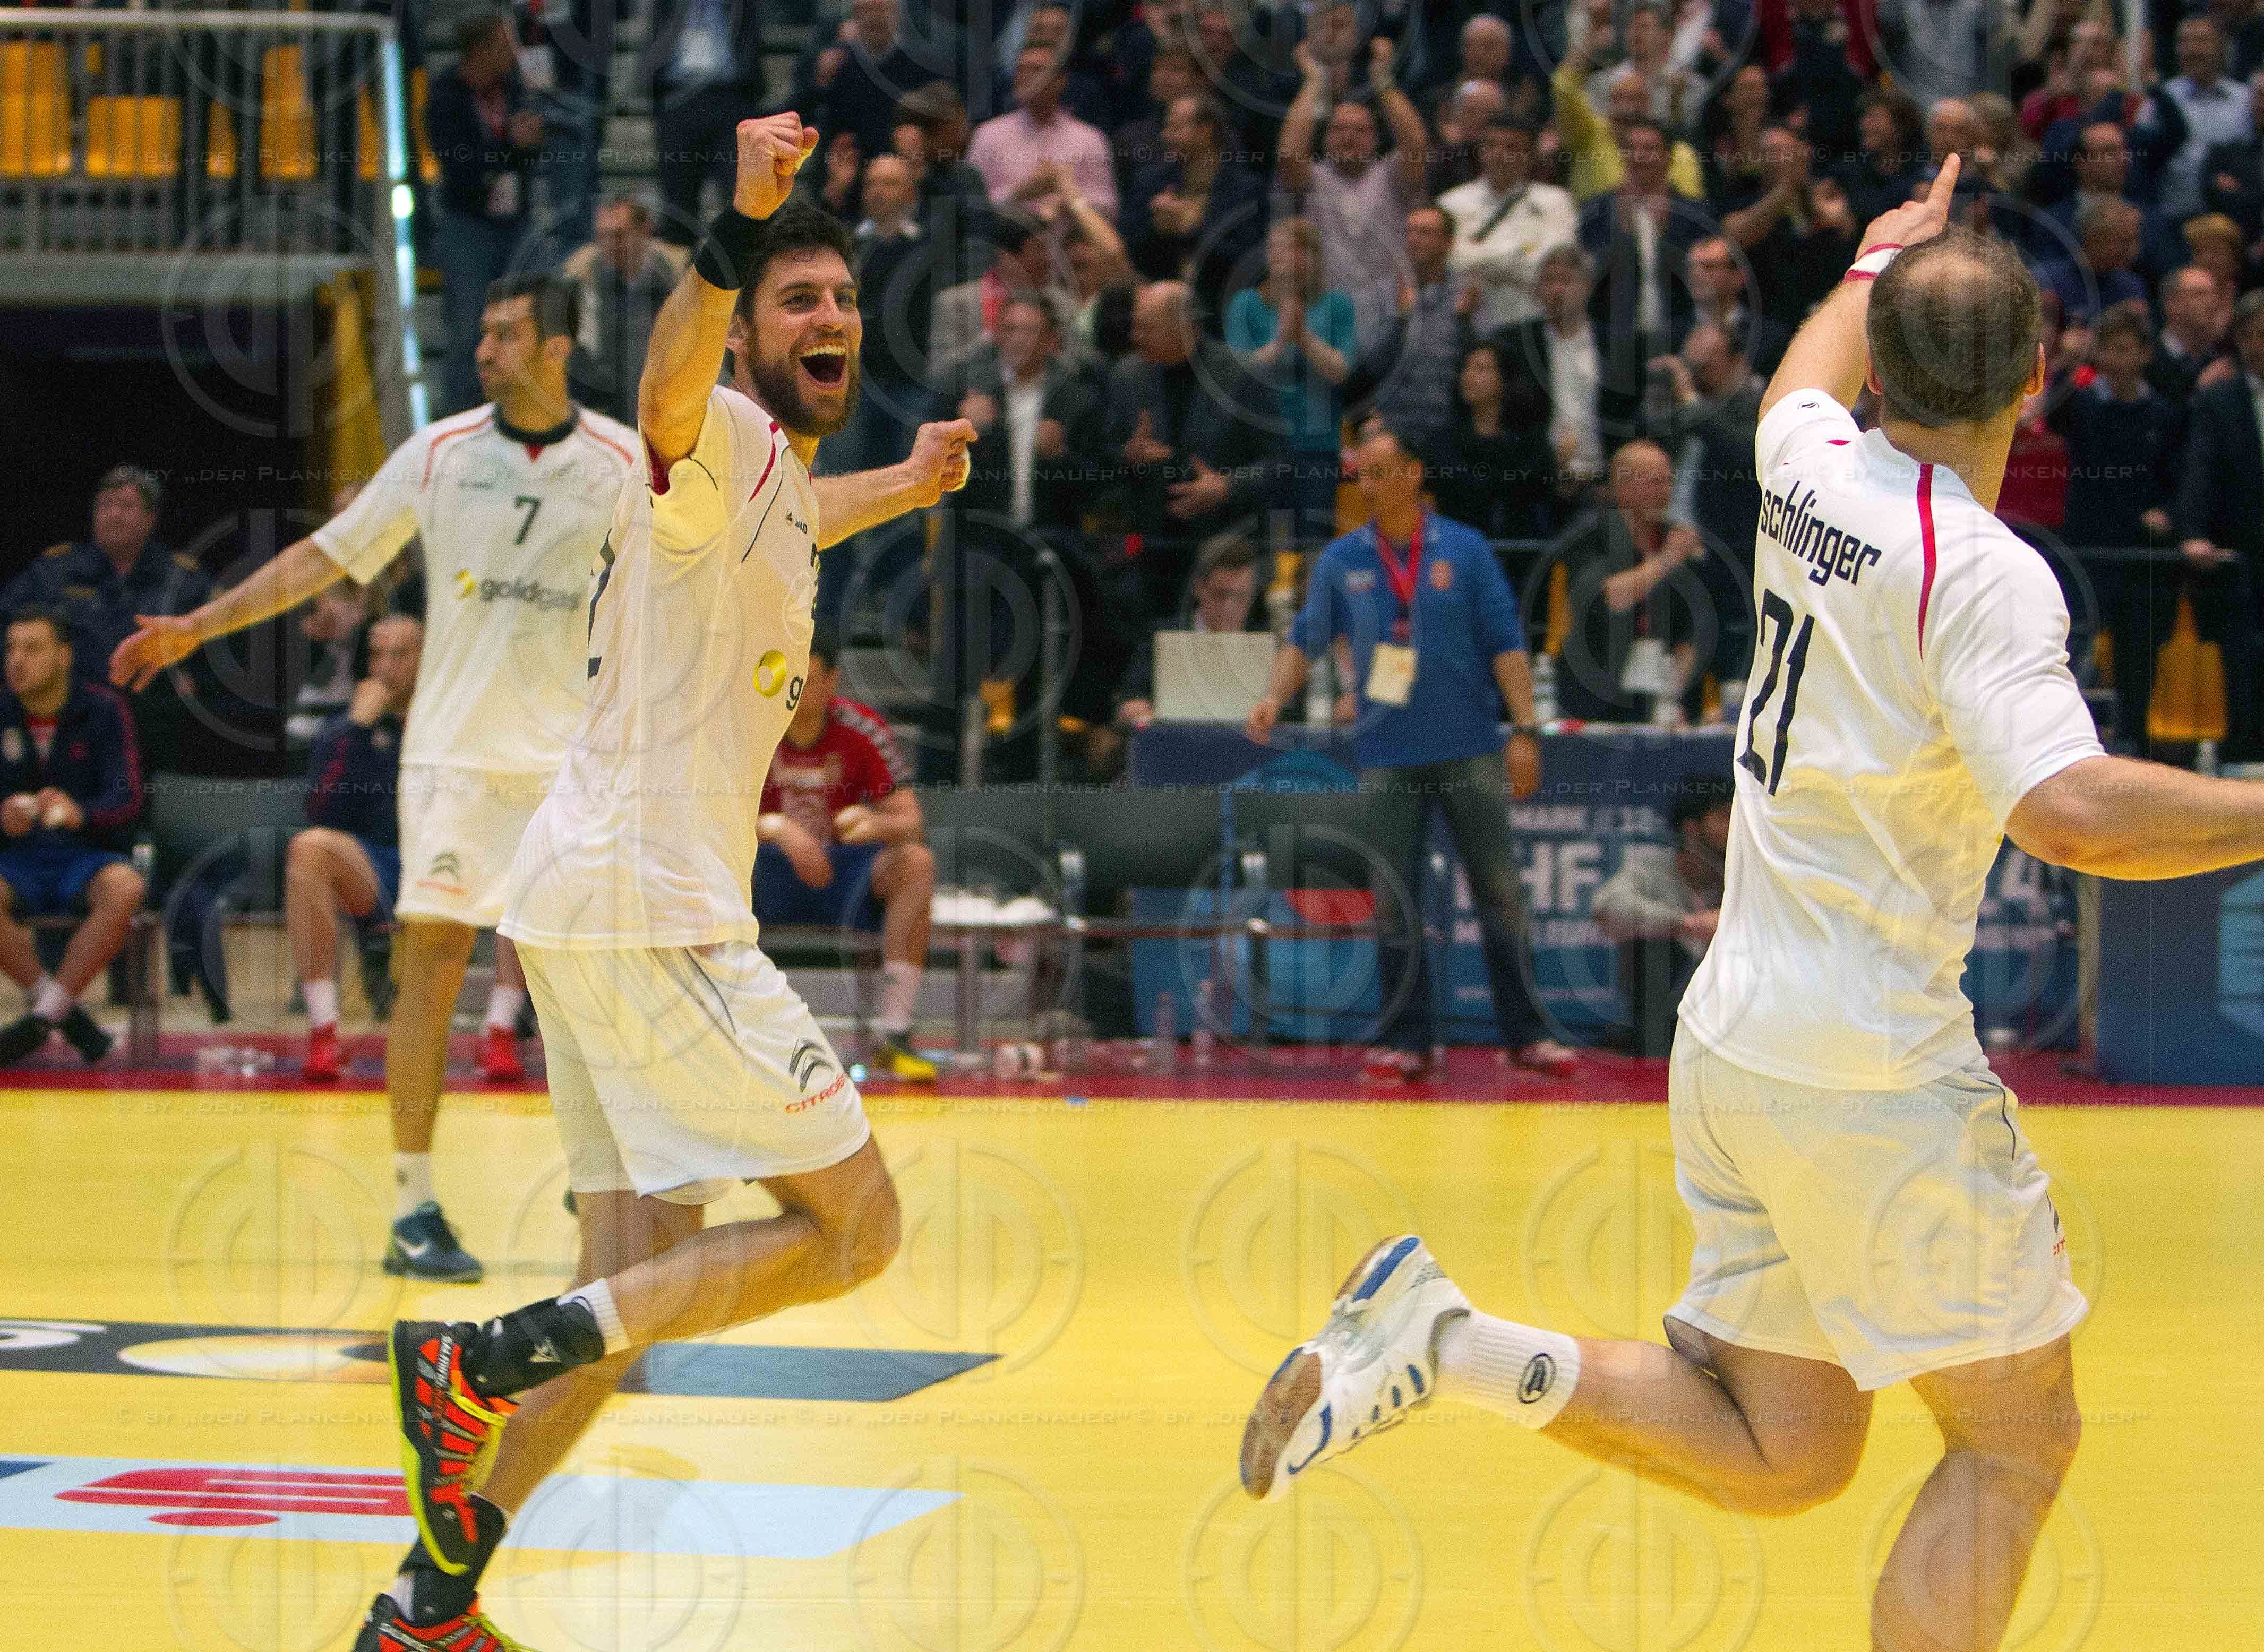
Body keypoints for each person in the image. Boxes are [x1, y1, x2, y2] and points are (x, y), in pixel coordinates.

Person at [1242, 156, 2264, 1652]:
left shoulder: (1806, 464)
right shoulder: (1987, 573)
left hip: (1736, 1042)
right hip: (1869, 1069)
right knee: (2014, 1437)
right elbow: (2069, 811)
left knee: (1789, 1448)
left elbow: (1802, 368)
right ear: (2035, 380)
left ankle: (1445, 1342)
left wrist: (1874, 253)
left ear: (1885, 365)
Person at [350, 120, 973, 1652]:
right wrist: (737, 226)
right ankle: (482, 1356)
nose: (829, 317)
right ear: (750, 333)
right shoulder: (721, 436)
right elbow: (666, 396)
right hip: (652, 913)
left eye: (843, 298)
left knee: (633, 1293)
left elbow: (801, 516)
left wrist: (907, 482)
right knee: (859, 1230)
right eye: (797, 299)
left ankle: (428, 1603)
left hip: (580, 904)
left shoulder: (773, 485)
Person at [113, 273, 640, 1283]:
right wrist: (198, 626)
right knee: (429, 967)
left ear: (558, 348)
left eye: (506, 334)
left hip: (572, 765)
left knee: (588, 977)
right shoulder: (440, 453)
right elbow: (322, 559)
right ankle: (412, 1205)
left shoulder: (621, 461)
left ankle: (599, 1178)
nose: (482, 350)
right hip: (454, 760)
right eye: (481, 332)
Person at [1247, 422, 1579, 1087]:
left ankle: (1527, 1034)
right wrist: (1273, 697)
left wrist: (1525, 730)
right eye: (1360, 475)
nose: (1366, 487)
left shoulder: (1466, 549)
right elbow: (1306, 637)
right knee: (1393, 898)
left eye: (1377, 473)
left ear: (1412, 474)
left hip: (1470, 747)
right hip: (1387, 754)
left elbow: (1506, 642)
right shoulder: (1343, 559)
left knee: (1500, 891)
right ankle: (1405, 1039)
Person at [756, 624, 937, 1082]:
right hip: (765, 872)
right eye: (788, 682)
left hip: (843, 875)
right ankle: (720, 1033)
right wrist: (775, 827)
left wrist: (876, 823)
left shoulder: (861, 729)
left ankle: (894, 1034)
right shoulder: (752, 727)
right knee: (703, 868)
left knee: (916, 863)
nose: (795, 694)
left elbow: (912, 821)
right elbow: (708, 818)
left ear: (833, 681)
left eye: (808, 681)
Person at [0, 609, 143, 1066]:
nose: (17, 660)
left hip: (86, 852)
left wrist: (80, 812)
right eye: (11, 648)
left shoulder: (104, 709)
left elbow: (129, 798)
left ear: (64, 657)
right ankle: (65, 1016)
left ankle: (45, 1015)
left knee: (126, 888)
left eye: (32, 648)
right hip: (17, 856)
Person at [289, 615, 422, 1082]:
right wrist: (356, 731)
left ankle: (501, 1030)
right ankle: (324, 1033)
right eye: (376, 655)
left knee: (524, 846)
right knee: (310, 849)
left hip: (449, 861)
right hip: (381, 864)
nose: (384, 667)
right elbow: (320, 810)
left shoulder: (451, 722)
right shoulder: (346, 727)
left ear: (428, 658)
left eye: (399, 655)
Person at [4, 465, 212, 760]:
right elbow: (7, 621)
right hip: (71, 724)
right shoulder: (55, 570)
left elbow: (223, 646)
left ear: (151, 518)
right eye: (105, 505)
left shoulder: (182, 578)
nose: (113, 515)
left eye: (126, 506)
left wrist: (195, 679)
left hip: (159, 727)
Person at [1103, 282, 1273, 618]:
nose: (1135, 337)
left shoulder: (1243, 374)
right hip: (1150, 553)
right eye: (1135, 326)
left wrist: (1227, 486)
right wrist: (1129, 455)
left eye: (1147, 328)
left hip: (1226, 550)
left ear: (1188, 328)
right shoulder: (1125, 376)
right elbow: (1102, 456)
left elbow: (1280, 462)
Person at [1276, 35, 1434, 353]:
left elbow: (1417, 144)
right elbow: (1289, 154)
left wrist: (1383, 81)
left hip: (1392, 315)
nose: (1349, 136)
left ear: (1376, 139)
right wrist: (1313, 82)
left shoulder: (1391, 173)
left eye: (1360, 130)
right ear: (1325, 138)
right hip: (1326, 318)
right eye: (1339, 129)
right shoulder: (1314, 177)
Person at [424, 11, 543, 416]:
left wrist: (529, 143)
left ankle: (519, 412)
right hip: (469, 227)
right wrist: (512, 145)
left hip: (515, 222)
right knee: (468, 330)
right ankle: (459, 420)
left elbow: (526, 152)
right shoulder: (445, 97)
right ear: (481, 50)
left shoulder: (514, 89)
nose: (513, 53)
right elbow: (462, 167)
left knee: (525, 322)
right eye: (505, 45)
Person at [1540, 438, 1705, 725]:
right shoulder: (1589, 534)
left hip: (1655, 696)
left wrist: (1676, 697)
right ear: (1623, 487)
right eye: (1656, 482)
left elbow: (1689, 631)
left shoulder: (1673, 541)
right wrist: (1666, 561)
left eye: (1669, 482)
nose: (1666, 492)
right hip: (1591, 694)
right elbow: (1609, 598)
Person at [2168, 287, 2264, 760]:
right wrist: (2193, 533)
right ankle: (2244, 757)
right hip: (2244, 546)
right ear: (2241, 340)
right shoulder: (2219, 399)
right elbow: (2199, 469)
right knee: (2243, 656)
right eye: (2256, 335)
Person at [1225, 218, 1357, 545]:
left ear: (1313, 257)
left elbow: (1341, 371)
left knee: (1313, 543)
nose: (1283, 256)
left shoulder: (1337, 305)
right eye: (1276, 248)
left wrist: (1304, 338)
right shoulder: (1246, 305)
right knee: (1268, 545)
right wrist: (1280, 342)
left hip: (1317, 446)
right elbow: (1238, 374)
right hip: (1261, 446)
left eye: (1296, 249)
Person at [1591, 772, 1731, 1056]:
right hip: (1665, 1020)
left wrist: (1732, 925)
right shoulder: (1651, 871)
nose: (1734, 827)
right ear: (1692, 829)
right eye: (1723, 818)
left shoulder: (1747, 876)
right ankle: (1653, 1054)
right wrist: (1686, 924)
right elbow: (1605, 909)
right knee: (1650, 947)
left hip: (1729, 1018)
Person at [639, 0, 768, 241]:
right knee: (678, 204)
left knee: (741, 196)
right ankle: (682, 259)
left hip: (730, 100)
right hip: (678, 101)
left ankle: (740, 259)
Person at [1438, 118, 1577, 335]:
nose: (1500, 155)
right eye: (1491, 145)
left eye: (1512, 148)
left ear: (1531, 156)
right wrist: (1521, 252)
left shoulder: (1556, 201)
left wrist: (1476, 256)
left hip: (1534, 325)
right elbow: (1451, 261)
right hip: (1469, 326)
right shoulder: (1451, 203)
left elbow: (1552, 268)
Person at [562, 194, 686, 426]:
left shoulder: (679, 274)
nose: (608, 246)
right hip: (607, 402)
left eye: (618, 236)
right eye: (602, 236)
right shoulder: (583, 275)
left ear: (645, 231)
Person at [966, 42, 1118, 223]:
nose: (1025, 77)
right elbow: (970, 206)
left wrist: (1067, 200)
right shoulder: (988, 134)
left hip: (1069, 235)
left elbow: (1109, 207)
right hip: (1004, 236)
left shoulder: (1090, 139)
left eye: (1036, 70)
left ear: (1060, 80)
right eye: (1021, 70)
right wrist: (1019, 193)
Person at [1426, 339, 1557, 540]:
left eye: (1481, 369)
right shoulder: (1444, 441)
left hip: (1520, 544)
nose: (1468, 376)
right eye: (1466, 368)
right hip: (1460, 543)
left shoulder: (1530, 441)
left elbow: (1538, 490)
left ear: (1504, 379)